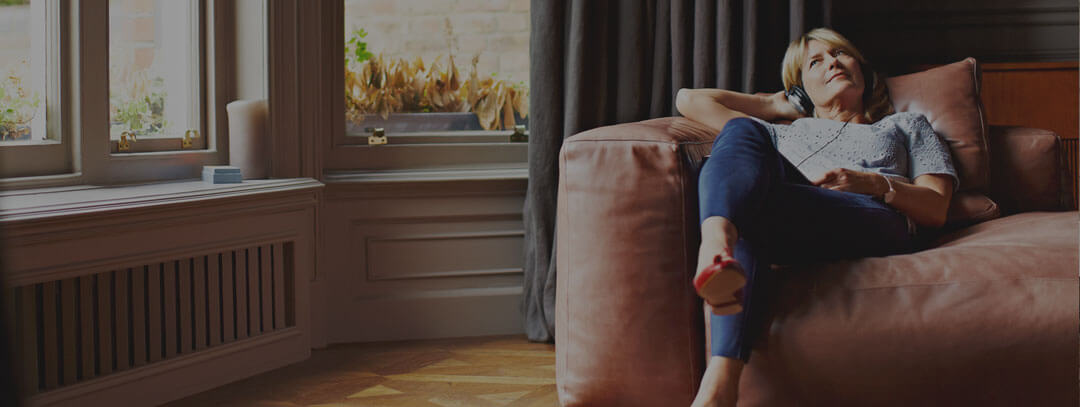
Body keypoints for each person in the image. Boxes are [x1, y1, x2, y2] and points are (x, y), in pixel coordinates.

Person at [674, 28, 959, 407]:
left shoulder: (906, 125)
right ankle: (717, 245)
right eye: (816, 62)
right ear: (800, 88)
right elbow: (689, 99)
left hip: (874, 213)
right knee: (742, 130)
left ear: (863, 69)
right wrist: (776, 106)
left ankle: (718, 385)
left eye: (841, 54)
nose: (833, 63)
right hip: (790, 206)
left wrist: (873, 183)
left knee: (747, 207)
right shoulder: (783, 131)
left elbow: (936, 207)